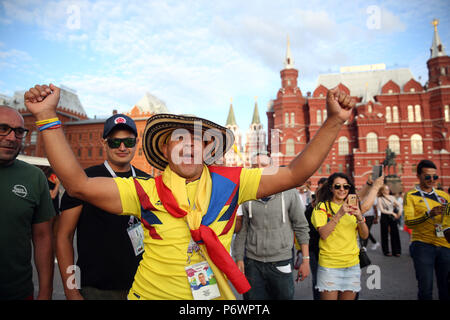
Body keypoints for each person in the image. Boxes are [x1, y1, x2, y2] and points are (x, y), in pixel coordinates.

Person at [23, 83, 355, 300]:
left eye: (198, 139)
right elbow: (78, 184)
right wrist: (47, 117)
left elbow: (296, 173)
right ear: (166, 151)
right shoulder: (145, 190)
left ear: (209, 150)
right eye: (179, 139)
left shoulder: (233, 182)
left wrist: (334, 121)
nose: (189, 146)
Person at [57, 114, 150, 300]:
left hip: (144, 286)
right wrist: (70, 289)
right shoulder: (84, 181)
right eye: (115, 142)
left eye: (128, 142)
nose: (122, 147)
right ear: (104, 143)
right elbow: (64, 237)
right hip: (96, 290)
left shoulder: (148, 181)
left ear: (136, 143)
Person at [233, 152, 310, 300]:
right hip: (252, 263)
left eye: (263, 165)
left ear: (272, 168)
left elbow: (301, 226)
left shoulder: (289, 192)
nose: (259, 169)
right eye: (255, 166)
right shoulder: (246, 193)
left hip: (281, 261)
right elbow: (243, 230)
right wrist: (239, 258)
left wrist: (305, 260)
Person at [0, 105, 55, 300]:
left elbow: (43, 238)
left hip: (18, 293)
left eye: (19, 131)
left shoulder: (34, 177)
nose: (11, 137)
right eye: (3, 128)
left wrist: (46, 292)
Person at [311, 172, 369, 300]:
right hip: (330, 266)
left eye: (345, 186)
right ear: (331, 188)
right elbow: (324, 234)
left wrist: (360, 217)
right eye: (337, 186)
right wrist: (340, 213)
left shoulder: (354, 207)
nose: (342, 189)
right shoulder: (322, 207)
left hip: (352, 264)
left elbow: (364, 235)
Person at [404, 159, 450, 300]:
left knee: (446, 289)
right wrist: (428, 214)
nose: (432, 180)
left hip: (445, 246)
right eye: (427, 176)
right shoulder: (411, 196)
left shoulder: (444, 196)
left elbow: (448, 222)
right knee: (425, 289)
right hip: (423, 246)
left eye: (434, 177)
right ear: (418, 176)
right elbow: (409, 223)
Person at [377, 184, 402, 257]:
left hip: (392, 216)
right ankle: (386, 251)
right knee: (384, 234)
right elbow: (381, 210)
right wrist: (392, 213)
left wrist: (400, 212)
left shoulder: (392, 197)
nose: (387, 191)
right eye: (386, 189)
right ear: (382, 191)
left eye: (388, 189)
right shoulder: (380, 198)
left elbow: (399, 205)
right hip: (385, 216)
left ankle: (397, 251)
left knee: (395, 233)